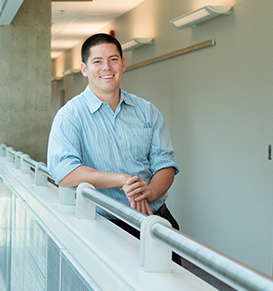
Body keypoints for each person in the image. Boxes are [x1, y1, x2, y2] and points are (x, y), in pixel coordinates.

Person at [47, 33, 180, 240]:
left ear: (123, 64)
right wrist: (122, 180)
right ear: (85, 69)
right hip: (106, 227)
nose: (106, 67)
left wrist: (148, 193)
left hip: (154, 219)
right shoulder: (70, 116)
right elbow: (64, 173)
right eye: (97, 61)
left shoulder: (147, 111)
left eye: (113, 59)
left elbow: (165, 165)